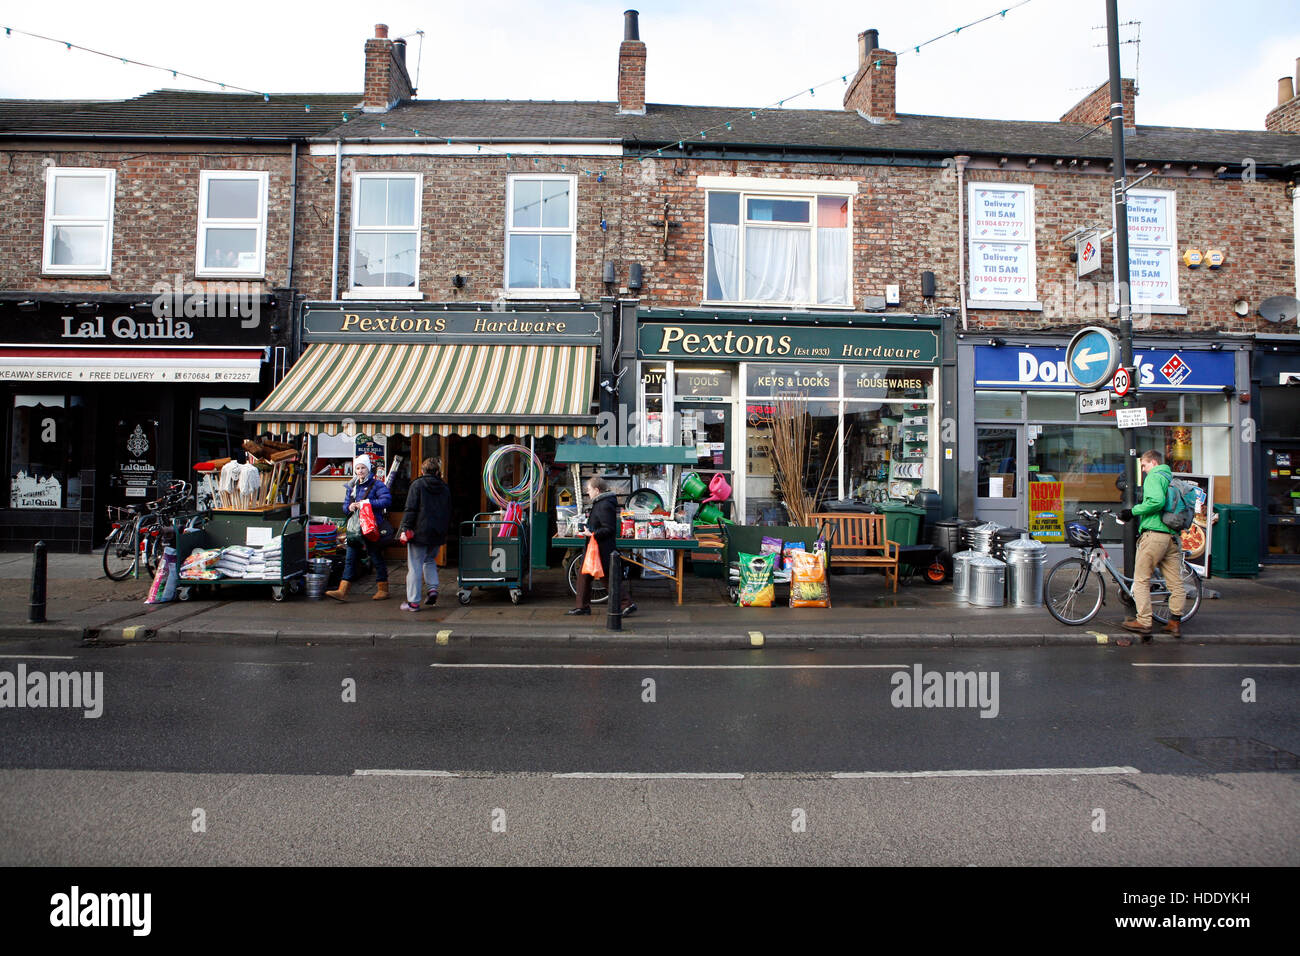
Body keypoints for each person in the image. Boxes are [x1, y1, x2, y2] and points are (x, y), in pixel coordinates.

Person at [1119, 449, 1186, 639]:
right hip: (1172, 537)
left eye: (1144, 466)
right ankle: (1174, 622)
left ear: (1154, 463)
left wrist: (1133, 511)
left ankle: (1144, 621)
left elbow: (1156, 501)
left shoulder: (1155, 477)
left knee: (1141, 579)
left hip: (1155, 535)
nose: (1144, 470)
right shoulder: (1171, 478)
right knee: (1175, 583)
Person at [326, 454, 393, 602]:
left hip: (370, 527)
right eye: (358, 468)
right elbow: (344, 507)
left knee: (376, 557)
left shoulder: (377, 485)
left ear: (368, 469)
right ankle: (342, 590)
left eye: (363, 468)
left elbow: (386, 501)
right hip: (354, 529)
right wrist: (349, 507)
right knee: (350, 559)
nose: (360, 471)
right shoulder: (351, 486)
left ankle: (383, 589)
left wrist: (366, 503)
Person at [567, 475, 635, 617]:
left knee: (606, 578)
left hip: (601, 548)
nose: (588, 492)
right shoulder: (602, 502)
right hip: (596, 547)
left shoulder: (604, 504)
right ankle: (582, 606)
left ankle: (627, 603)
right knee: (584, 575)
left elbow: (608, 528)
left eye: (589, 489)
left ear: (597, 490)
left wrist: (591, 533)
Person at [397, 457, 451, 611]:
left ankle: (413, 602)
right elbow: (448, 511)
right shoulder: (444, 487)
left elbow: (411, 509)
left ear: (422, 470)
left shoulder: (417, 484)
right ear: (437, 471)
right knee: (430, 560)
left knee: (415, 566)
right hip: (437, 532)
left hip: (418, 532)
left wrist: (404, 529)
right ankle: (432, 589)